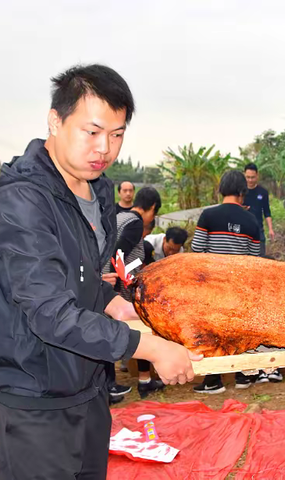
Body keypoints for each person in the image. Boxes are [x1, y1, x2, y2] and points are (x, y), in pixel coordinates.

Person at [0, 64, 202, 480]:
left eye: (116, 134)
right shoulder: (21, 201)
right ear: (55, 121)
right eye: (91, 132)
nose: (103, 148)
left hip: (90, 391)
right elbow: (50, 312)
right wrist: (150, 349)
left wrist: (115, 305)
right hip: (33, 404)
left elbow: (83, 279)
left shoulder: (98, 192)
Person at [191, 170, 282, 392]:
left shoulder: (208, 216)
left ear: (221, 189)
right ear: (242, 193)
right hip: (241, 287)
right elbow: (255, 259)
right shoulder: (251, 220)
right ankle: (243, 377)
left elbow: (196, 249)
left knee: (212, 332)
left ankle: (213, 381)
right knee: (239, 331)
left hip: (213, 287)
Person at [109, 186, 165, 399]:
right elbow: (118, 253)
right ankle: (141, 381)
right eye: (154, 212)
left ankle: (145, 379)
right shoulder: (135, 222)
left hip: (111, 283)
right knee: (140, 329)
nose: (152, 218)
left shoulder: (120, 216)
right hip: (120, 288)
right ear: (151, 207)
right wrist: (129, 281)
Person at [243, 162, 275, 256]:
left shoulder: (263, 192)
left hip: (258, 229)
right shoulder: (240, 191)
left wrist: (270, 229)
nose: (250, 180)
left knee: (260, 258)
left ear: (257, 175)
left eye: (252, 177)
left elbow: (267, 211)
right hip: (243, 230)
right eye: (248, 177)